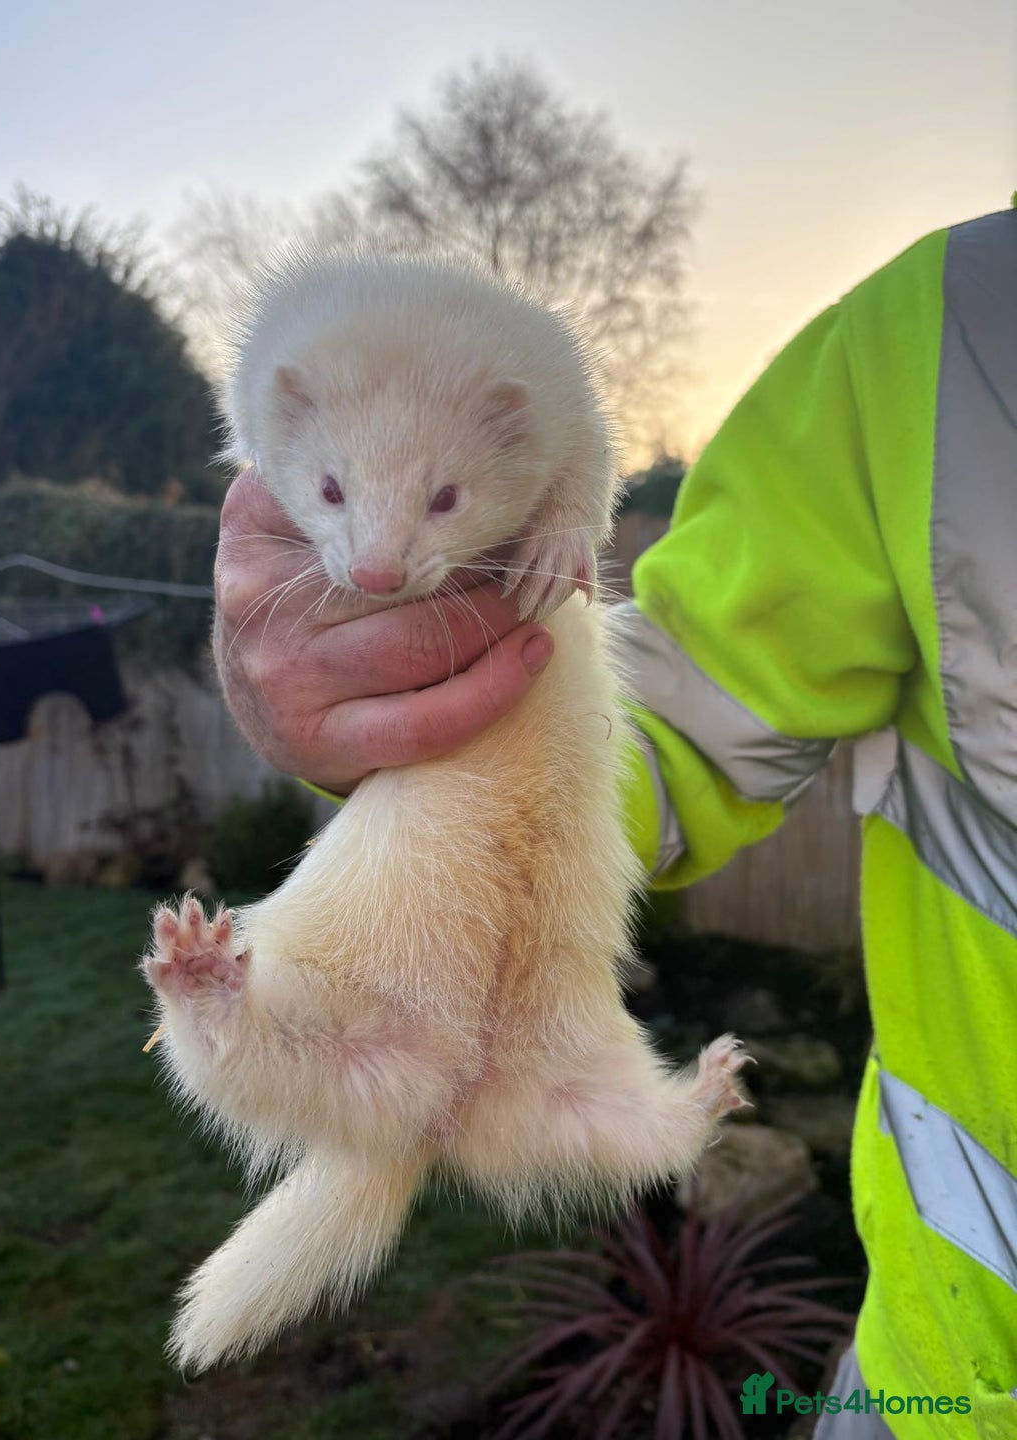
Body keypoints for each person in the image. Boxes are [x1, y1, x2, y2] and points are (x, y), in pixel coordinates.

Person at [213, 203, 1017, 1439]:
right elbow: (670, 725)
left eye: (435, 506)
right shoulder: (948, 332)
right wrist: (390, 713)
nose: (374, 564)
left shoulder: (532, 408)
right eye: (328, 498)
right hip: (946, 1388)